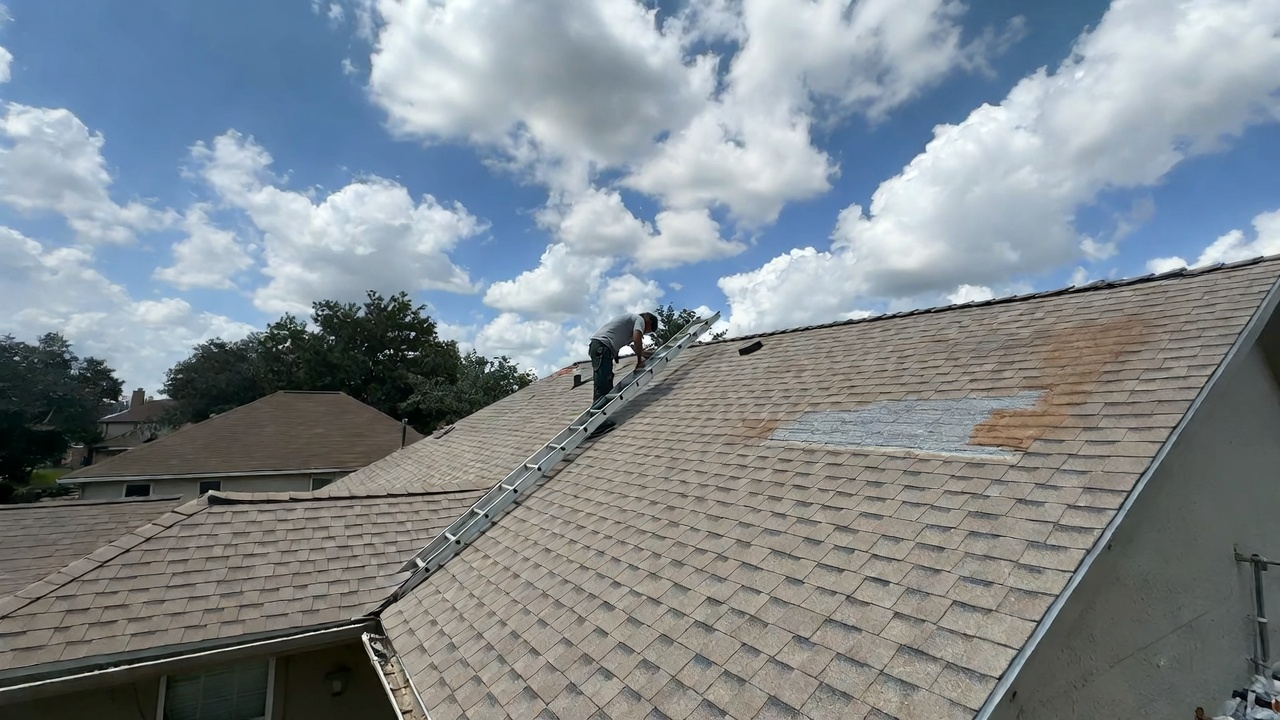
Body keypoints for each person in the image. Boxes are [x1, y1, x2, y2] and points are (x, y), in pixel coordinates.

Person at [587, 312, 658, 433]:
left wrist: (616, 354)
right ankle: (596, 424)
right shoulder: (639, 320)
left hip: (600, 347)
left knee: (606, 383)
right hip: (602, 347)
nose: (645, 333)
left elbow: (625, 341)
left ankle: (596, 420)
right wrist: (639, 360)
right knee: (603, 386)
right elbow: (637, 338)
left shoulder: (628, 321)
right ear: (649, 321)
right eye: (647, 331)